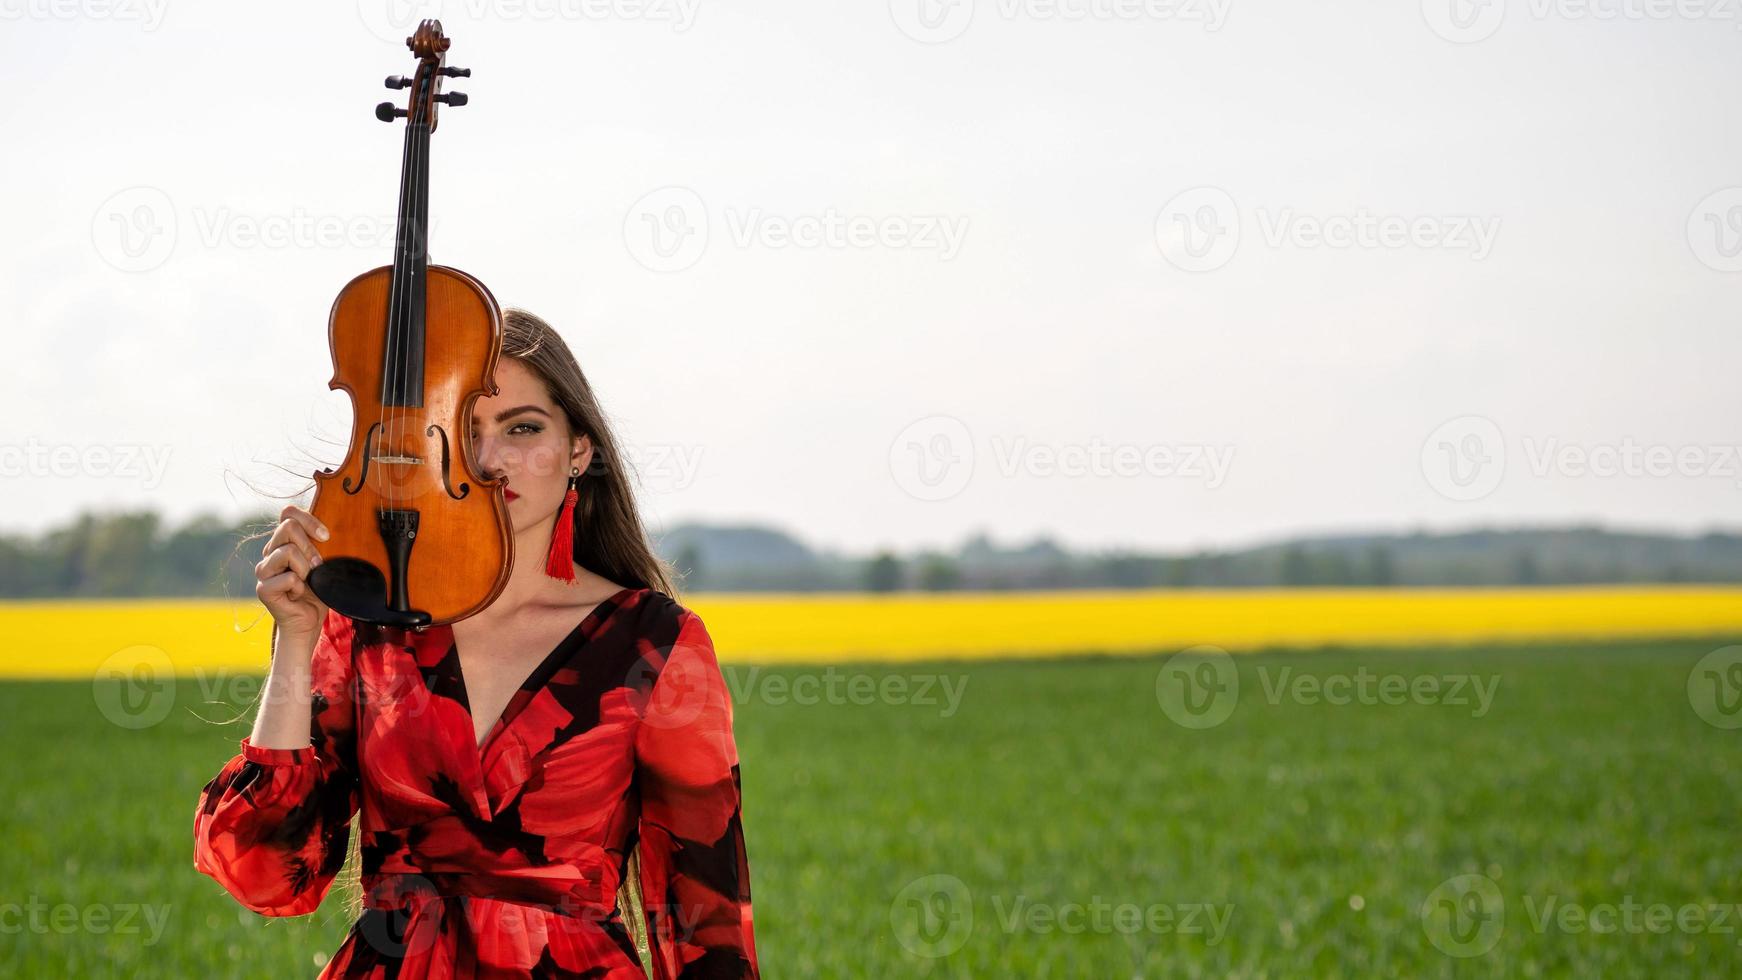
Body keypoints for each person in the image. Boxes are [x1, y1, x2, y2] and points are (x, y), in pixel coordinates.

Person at [193, 309, 758, 978]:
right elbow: (264, 873)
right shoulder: (374, 622)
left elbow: (705, 919)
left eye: (523, 428)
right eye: (464, 433)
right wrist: (295, 639)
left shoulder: (655, 643)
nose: (490, 461)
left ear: (579, 448)